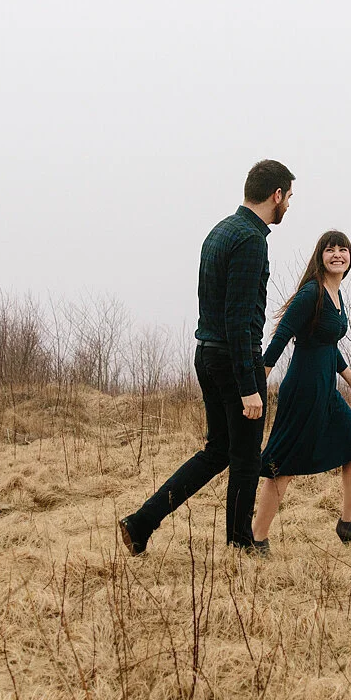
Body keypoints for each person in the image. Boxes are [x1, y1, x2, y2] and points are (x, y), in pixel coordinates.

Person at [118, 159, 295, 555]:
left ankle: (141, 522)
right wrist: (248, 385)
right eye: (288, 197)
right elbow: (238, 317)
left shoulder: (220, 231)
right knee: (245, 458)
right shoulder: (251, 240)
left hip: (208, 354)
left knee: (218, 451)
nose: (288, 205)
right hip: (235, 359)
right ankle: (241, 545)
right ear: (276, 195)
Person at [250, 230, 351, 555]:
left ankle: (349, 524)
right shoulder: (312, 293)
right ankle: (256, 537)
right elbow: (281, 337)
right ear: (320, 256)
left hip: (326, 390)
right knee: (283, 464)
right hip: (303, 389)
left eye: (343, 249)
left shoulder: (336, 294)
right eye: (330, 249)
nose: (337, 254)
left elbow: (328, 345)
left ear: (350, 257)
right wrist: (257, 384)